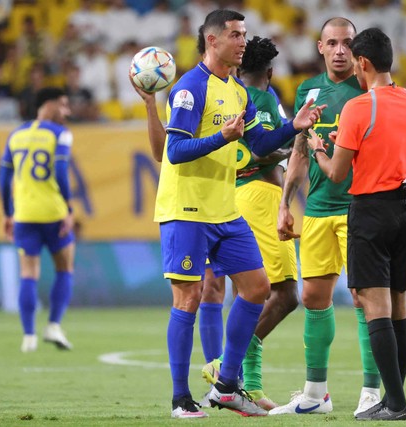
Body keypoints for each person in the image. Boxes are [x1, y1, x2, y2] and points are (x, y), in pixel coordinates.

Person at [154, 9, 322, 419]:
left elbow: (261, 143)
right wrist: (221, 137)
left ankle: (227, 385)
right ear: (212, 40)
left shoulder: (239, 92)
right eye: (235, 34)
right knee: (189, 296)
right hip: (187, 207)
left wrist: (294, 127)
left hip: (225, 208)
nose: (243, 41)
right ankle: (180, 399)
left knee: (257, 288)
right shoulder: (190, 89)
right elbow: (174, 152)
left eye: (245, 34)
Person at [305, 27, 406, 421]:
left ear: (363, 63)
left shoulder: (360, 107)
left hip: (371, 210)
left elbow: (338, 174)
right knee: (398, 306)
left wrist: (318, 150)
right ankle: (393, 397)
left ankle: (395, 403)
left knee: (372, 305)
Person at [271, 17, 381, 417]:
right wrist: (286, 202)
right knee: (313, 297)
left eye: (347, 43)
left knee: (365, 297)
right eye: (332, 43)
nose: (340, 50)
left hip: (359, 208)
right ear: (319, 47)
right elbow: (300, 150)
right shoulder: (308, 90)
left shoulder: (370, 88)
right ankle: (316, 394)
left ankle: (372, 390)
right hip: (317, 208)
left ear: (358, 49)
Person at [0, 87, 76, 353]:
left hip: (23, 215)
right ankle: (53, 325)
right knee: (65, 268)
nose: (67, 112)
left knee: (28, 274)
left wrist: (8, 213)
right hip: (54, 213)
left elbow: (5, 178)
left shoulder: (16, 134)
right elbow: (61, 171)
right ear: (50, 104)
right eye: (64, 105)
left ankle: (28, 336)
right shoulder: (60, 134)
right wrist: (67, 207)